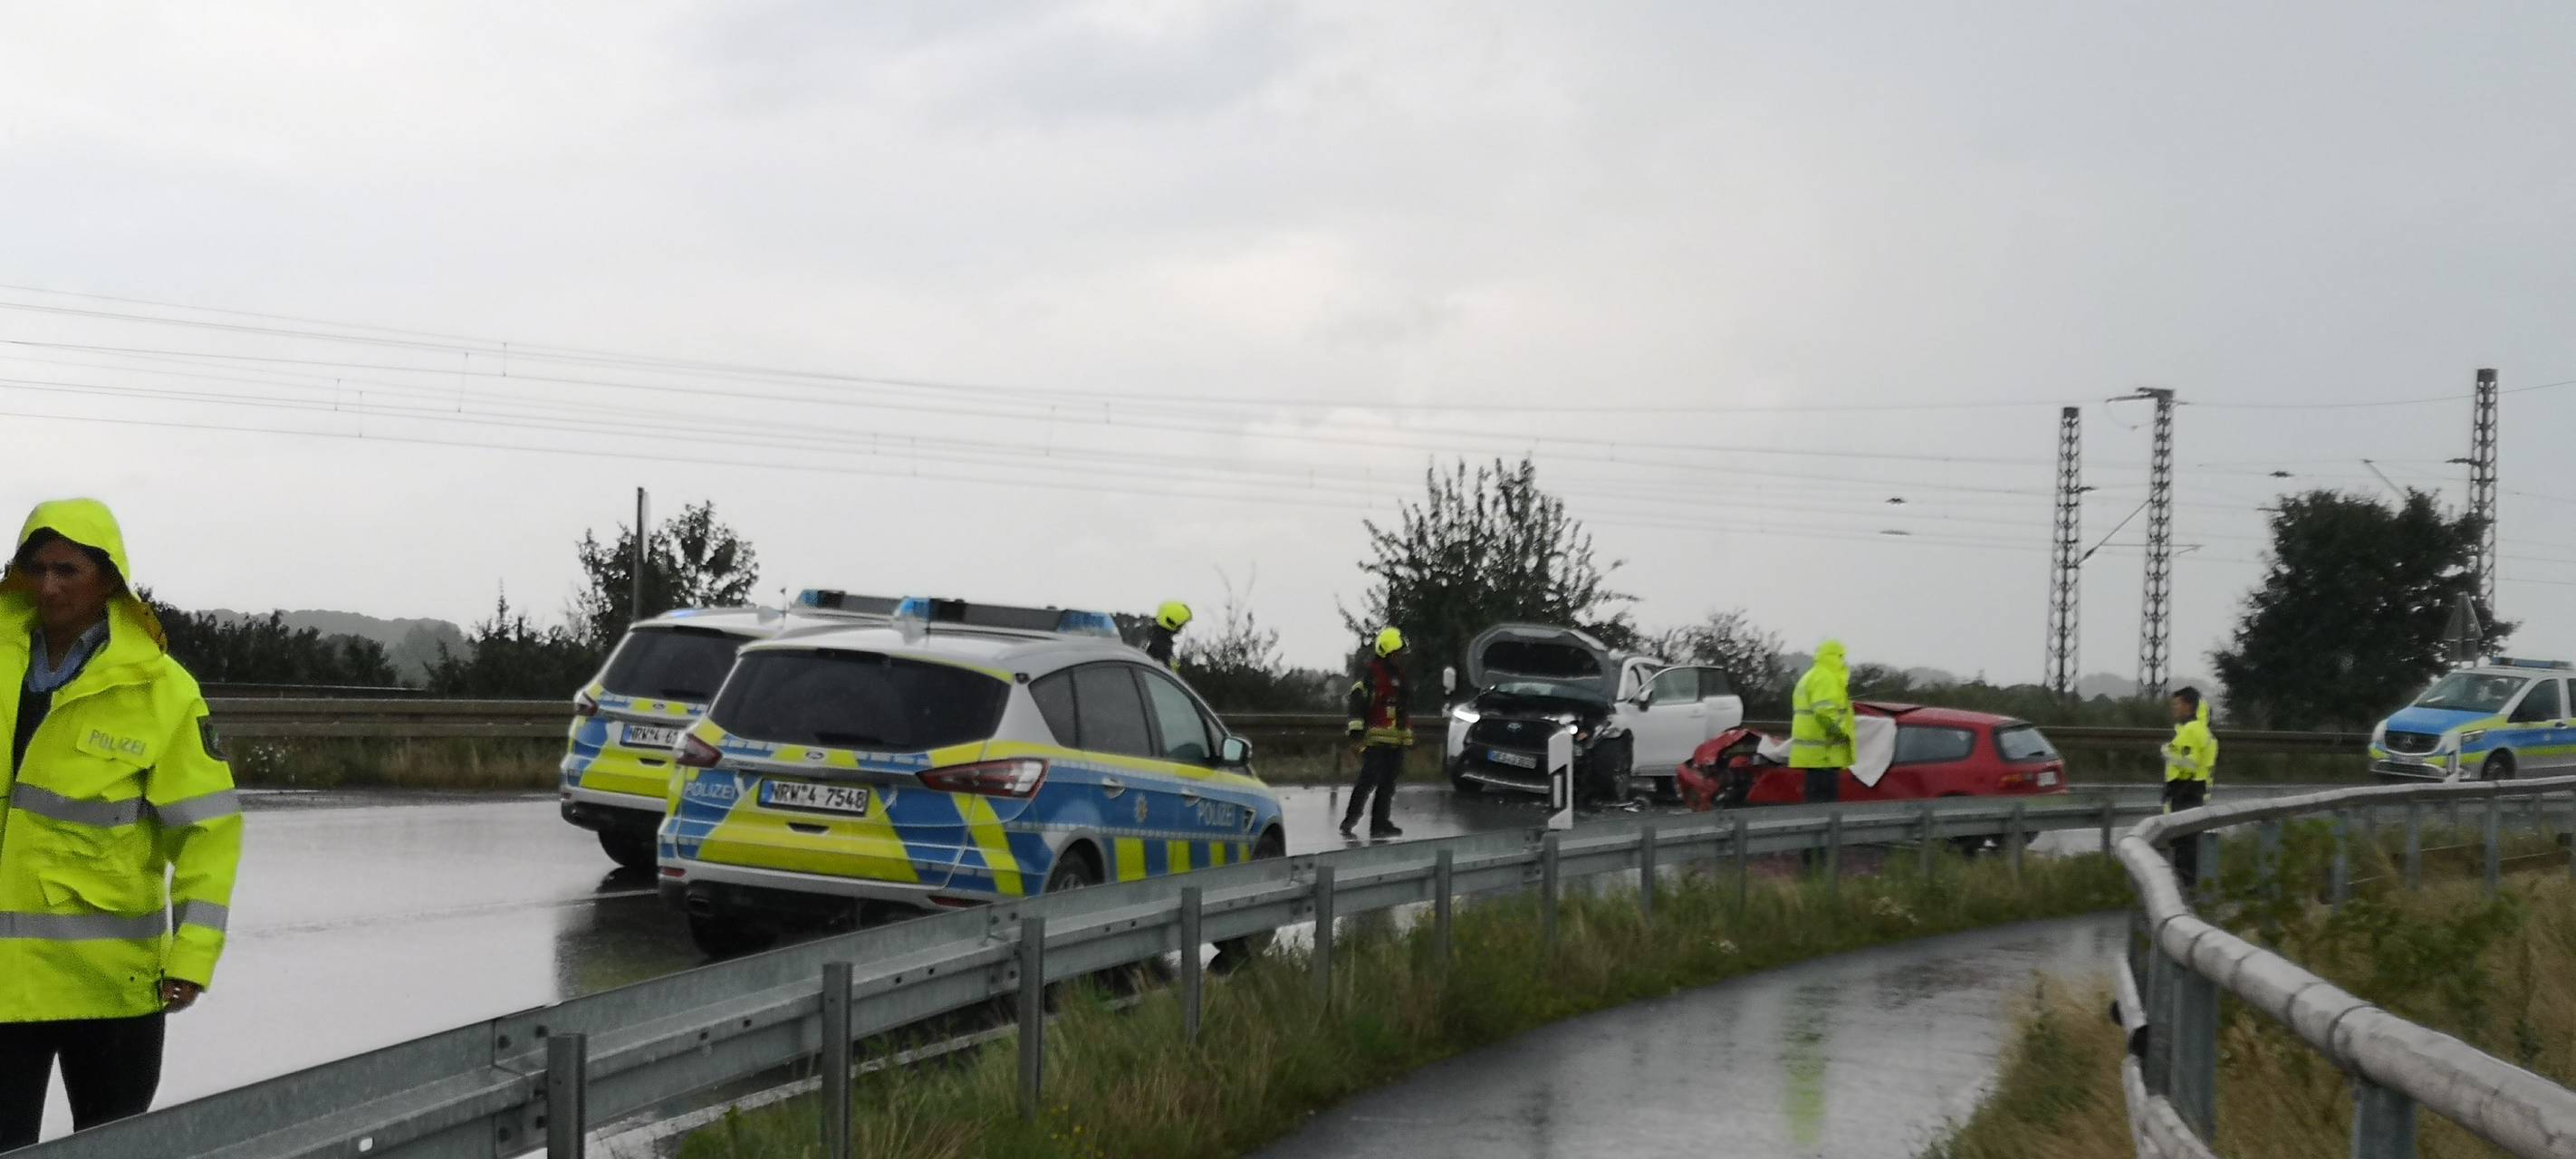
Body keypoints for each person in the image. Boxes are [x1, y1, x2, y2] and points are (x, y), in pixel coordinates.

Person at [0, 500, 241, 1149]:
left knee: (114, 1150)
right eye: (36, 568)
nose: (49, 586)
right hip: (1, 986)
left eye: (67, 570)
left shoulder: (162, 690)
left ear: (109, 579)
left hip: (111, 988)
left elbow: (208, 832)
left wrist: (193, 954)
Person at [1340, 627, 1411, 839]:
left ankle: (1380, 824)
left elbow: (1404, 709)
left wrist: (1406, 738)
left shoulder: (1400, 678)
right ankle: (1350, 819)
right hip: (1373, 742)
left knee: (1388, 784)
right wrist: (1356, 736)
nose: (1400, 657)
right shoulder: (1371, 676)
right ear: (1387, 652)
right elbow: (1357, 705)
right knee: (1368, 780)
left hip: (1395, 742)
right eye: (1397, 653)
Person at [2161, 686, 2217, 892]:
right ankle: (2189, 890)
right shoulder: (2202, 731)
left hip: (2185, 792)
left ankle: (2184, 893)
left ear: (2188, 705)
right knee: (2189, 846)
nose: (2174, 708)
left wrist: (2167, 753)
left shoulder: (2192, 730)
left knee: (2183, 848)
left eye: (2177, 704)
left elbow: (2190, 764)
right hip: (2195, 792)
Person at [1789, 639, 1854, 807]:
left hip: (1813, 755)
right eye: (1841, 657)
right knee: (1825, 809)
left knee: (1814, 807)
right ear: (1835, 657)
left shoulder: (1811, 676)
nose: (1843, 662)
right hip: (1825, 753)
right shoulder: (1826, 678)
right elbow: (1825, 713)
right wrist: (1842, 733)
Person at [1145, 601, 1190, 669]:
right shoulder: (1163, 645)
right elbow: (1166, 671)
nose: (1183, 628)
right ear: (1172, 623)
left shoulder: (1154, 635)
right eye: (1181, 625)